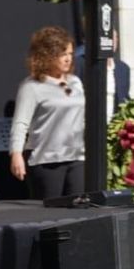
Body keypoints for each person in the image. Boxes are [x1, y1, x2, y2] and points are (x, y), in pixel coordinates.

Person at [9, 26, 85, 199]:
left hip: (77, 157)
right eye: (62, 54)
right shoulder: (32, 86)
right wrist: (16, 154)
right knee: (48, 211)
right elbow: (21, 123)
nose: (68, 59)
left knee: (80, 210)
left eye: (70, 53)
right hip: (46, 160)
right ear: (47, 56)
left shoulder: (76, 82)